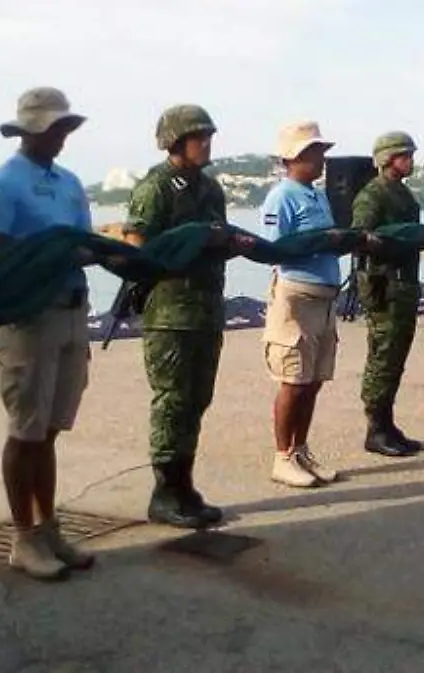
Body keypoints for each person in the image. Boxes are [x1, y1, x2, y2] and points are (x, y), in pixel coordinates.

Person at [0, 87, 95, 580]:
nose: (61, 136)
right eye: (53, 128)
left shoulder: (70, 183)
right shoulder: (1, 184)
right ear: (29, 130)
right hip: (28, 318)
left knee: (49, 430)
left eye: (64, 128)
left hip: (71, 310)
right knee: (25, 430)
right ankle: (22, 536)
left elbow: (85, 243)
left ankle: (48, 528)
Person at [125, 104, 254, 528]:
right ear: (176, 141)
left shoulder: (210, 189)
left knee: (197, 399)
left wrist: (227, 242)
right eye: (200, 137)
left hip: (205, 310)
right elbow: (137, 244)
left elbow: (220, 234)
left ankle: (184, 484)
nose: (208, 144)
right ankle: (165, 491)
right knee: (172, 401)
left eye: (208, 136)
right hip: (170, 313)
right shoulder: (157, 187)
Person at [261, 121, 354, 487]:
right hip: (297, 297)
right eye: (314, 153)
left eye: (321, 153)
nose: (321, 160)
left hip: (324, 298)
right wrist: (319, 241)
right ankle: (282, 455)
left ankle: (300, 449)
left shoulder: (317, 195)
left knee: (313, 380)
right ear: (293, 158)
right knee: (293, 379)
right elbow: (276, 248)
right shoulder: (281, 196)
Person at [352, 132, 424, 456]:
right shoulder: (373, 194)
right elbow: (361, 237)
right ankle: (376, 427)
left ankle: (388, 421)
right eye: (404, 155)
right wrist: (387, 241)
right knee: (383, 355)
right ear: (387, 158)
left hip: (405, 282)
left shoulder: (404, 195)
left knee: (396, 355)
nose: (410, 160)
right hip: (384, 284)